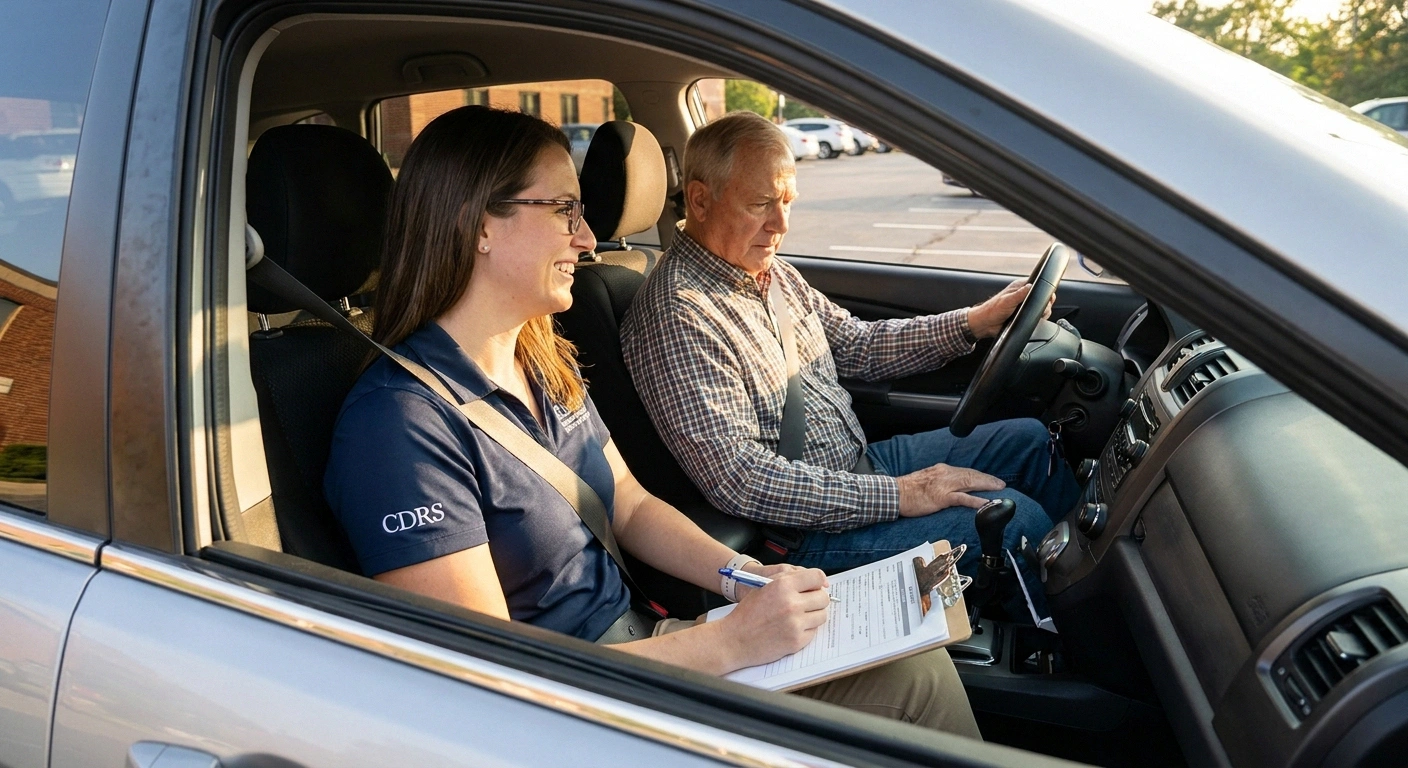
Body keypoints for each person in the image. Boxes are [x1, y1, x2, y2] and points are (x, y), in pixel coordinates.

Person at [323, 105, 981, 737]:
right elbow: (487, 677)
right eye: (564, 210)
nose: (586, 238)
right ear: (479, 225)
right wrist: (730, 642)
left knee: (916, 664)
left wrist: (748, 577)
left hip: (644, 646)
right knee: (916, 686)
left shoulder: (540, 360)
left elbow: (628, 503)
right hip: (576, 710)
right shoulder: (399, 426)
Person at [620, 112, 1080, 606]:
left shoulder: (770, 273)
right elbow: (742, 478)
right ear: (700, 200)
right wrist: (902, 494)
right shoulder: (678, 312)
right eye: (761, 204)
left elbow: (858, 345)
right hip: (802, 533)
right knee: (1017, 523)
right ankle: (1069, 634)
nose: (781, 225)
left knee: (1031, 443)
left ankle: (1090, 584)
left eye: (787, 202)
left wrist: (975, 322)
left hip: (862, 466)